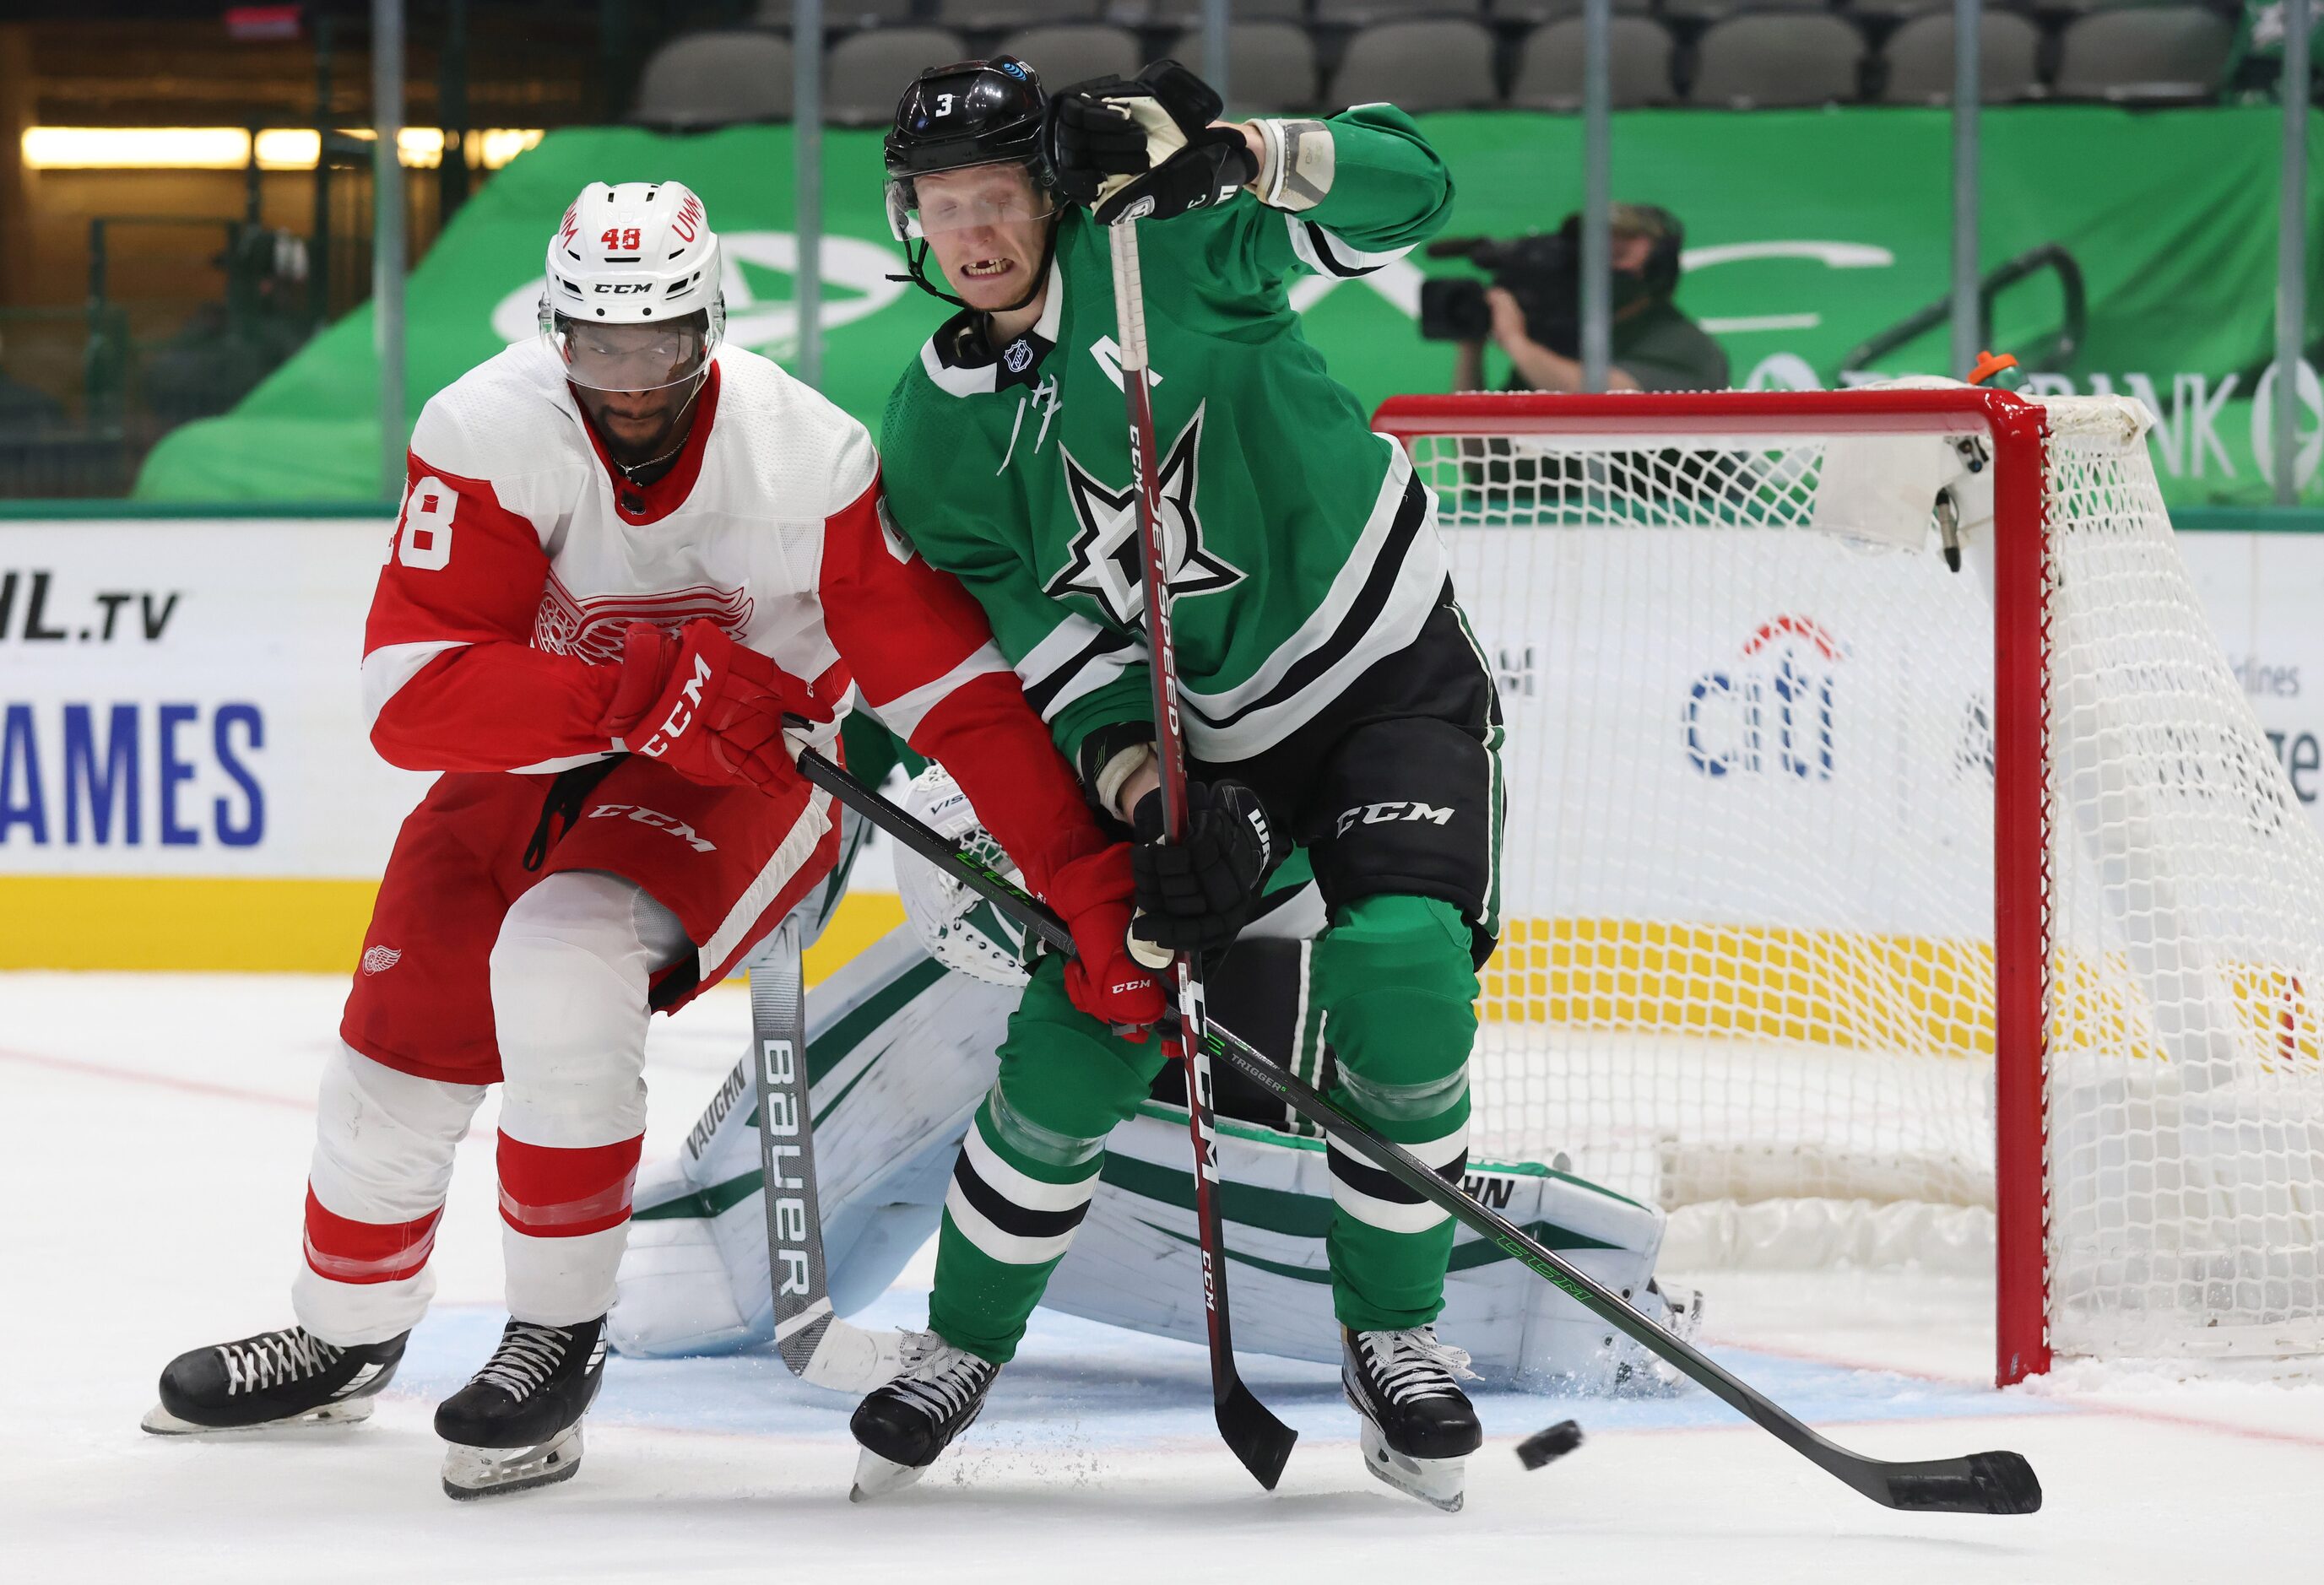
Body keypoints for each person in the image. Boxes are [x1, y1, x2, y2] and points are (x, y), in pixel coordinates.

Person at [140, 180, 1161, 1501]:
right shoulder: (486, 428)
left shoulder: (811, 458)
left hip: (749, 772)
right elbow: (408, 696)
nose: (629, 381)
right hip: (547, 751)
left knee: (562, 950)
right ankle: (342, 1335)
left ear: (712, 327)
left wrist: (1085, 887)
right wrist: (634, 684)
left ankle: (556, 1338)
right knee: (398, 1034)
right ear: (556, 328)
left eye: (661, 344)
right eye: (598, 344)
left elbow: (953, 697)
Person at [859, 57, 1497, 1510]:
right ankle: (956, 1347)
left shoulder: (1166, 249)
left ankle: (1395, 1335)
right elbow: (1049, 632)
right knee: (1095, 1003)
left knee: (1399, 968)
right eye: (941, 204)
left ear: (1050, 196)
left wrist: (1253, 150)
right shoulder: (935, 426)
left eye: (999, 195)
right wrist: (1153, 794)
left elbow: (1415, 192)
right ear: (910, 221)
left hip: (1382, 667)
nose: (972, 232)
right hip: (1198, 739)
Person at [609, 757, 1702, 1392]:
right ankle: (1553, 1278)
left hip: (1263, 940)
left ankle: (1551, 1279)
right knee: (1010, 1053)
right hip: (1102, 958)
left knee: (1111, 1109)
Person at [1453, 203, 1729, 395]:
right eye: (1589, 252)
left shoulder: (1686, 346)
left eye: (1617, 254)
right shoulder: (1557, 343)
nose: (1596, 265)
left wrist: (1515, 342)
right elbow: (1479, 453)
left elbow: (1608, 398)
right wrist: (1471, 350)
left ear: (1658, 270)